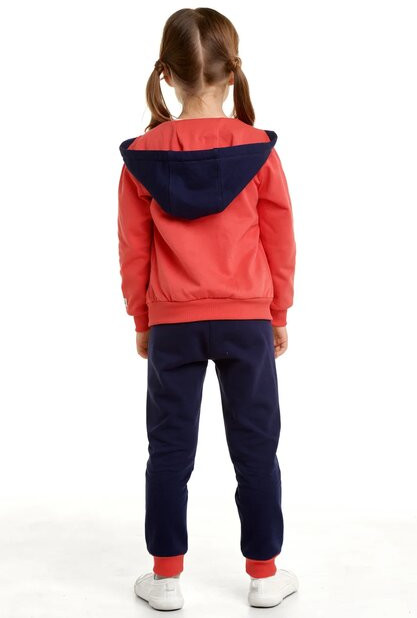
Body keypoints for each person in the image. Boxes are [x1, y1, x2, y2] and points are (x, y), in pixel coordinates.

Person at [117, 7, 298, 611]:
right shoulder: (258, 151)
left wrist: (142, 319)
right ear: (232, 72)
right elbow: (278, 239)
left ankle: (165, 577)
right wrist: (278, 312)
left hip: (173, 321)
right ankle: (264, 575)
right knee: (256, 447)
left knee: (169, 450)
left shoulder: (143, 156)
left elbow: (134, 248)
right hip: (247, 317)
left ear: (167, 74)